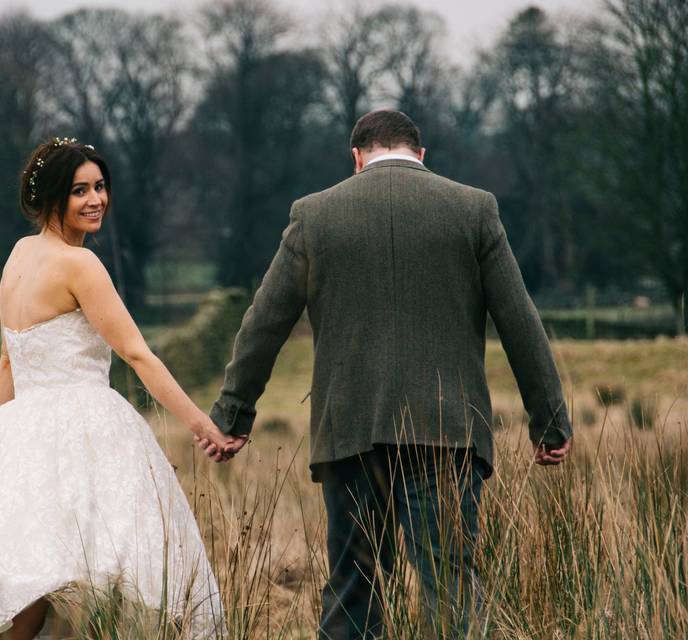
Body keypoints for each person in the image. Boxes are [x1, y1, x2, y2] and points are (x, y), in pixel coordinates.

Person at [200, 110, 572, 638]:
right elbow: (520, 321)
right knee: (451, 592)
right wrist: (550, 421)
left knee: (354, 591)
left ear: (357, 157)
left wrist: (233, 414)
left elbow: (263, 325)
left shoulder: (314, 215)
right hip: (445, 434)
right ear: (421, 155)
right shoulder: (474, 209)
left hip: (350, 433)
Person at [0, 138, 234, 640]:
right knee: (101, 583)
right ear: (53, 196)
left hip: (19, 429)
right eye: (80, 191)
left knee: (33, 590)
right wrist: (202, 424)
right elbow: (137, 354)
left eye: (100, 187)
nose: (96, 199)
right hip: (85, 431)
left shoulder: (18, 256)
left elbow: (8, 360)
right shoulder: (81, 265)